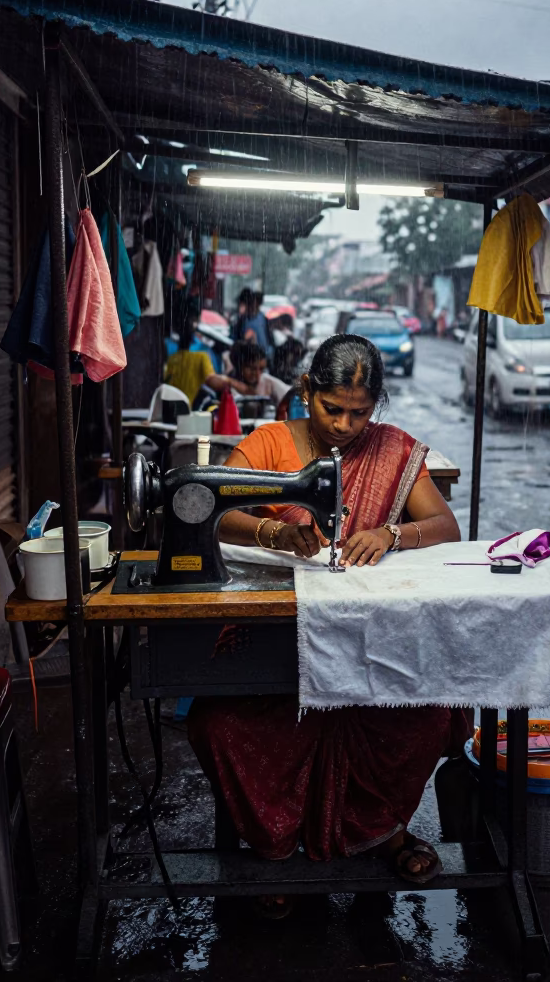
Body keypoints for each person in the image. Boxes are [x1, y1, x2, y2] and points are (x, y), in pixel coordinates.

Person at [188, 334, 466, 911]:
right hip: (274, 637)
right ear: (307, 391)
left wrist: (392, 534)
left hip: (366, 642)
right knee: (221, 724)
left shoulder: (391, 450)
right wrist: (273, 532)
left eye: (359, 412)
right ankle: (273, 848)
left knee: (432, 714)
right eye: (330, 408)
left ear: (377, 406)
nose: (343, 425)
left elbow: (445, 527)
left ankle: (380, 831)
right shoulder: (269, 443)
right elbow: (215, 507)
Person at [206, 340, 291, 414]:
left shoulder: (267, 381)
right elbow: (210, 380)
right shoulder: (230, 381)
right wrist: (239, 386)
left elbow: (291, 396)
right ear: (240, 365)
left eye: (261, 369)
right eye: (252, 368)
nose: (257, 374)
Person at [163, 317, 213, 407]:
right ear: (192, 340)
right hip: (189, 407)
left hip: (173, 406)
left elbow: (167, 381)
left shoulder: (172, 359)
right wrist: (230, 383)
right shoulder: (201, 357)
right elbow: (211, 379)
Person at [231, 287, 272, 356]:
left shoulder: (262, 319)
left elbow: (268, 340)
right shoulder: (242, 320)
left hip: (259, 355)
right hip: (250, 356)